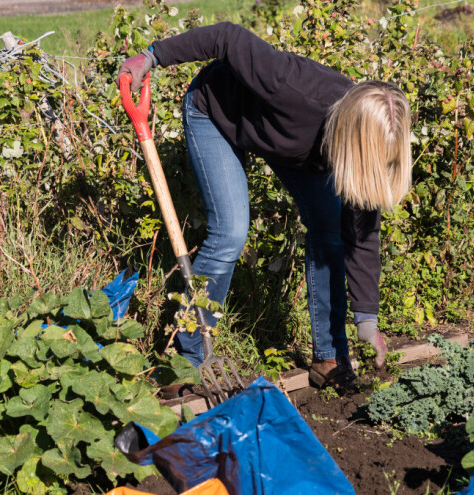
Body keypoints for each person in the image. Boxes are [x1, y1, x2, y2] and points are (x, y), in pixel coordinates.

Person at [119, 22, 412, 390]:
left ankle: (329, 358)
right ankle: (186, 360)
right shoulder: (292, 87)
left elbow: (362, 235)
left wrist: (367, 324)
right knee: (230, 233)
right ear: (353, 138)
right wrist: (151, 56)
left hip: (289, 144)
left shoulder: (360, 148)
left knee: (330, 230)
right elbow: (227, 36)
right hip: (216, 113)